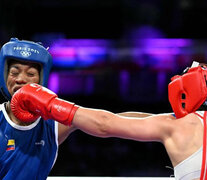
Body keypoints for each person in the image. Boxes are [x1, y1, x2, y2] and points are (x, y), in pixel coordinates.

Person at [0, 37, 204, 180]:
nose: (21, 79)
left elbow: (113, 120)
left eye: (30, 74)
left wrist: (170, 120)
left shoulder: (53, 124)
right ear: (4, 75)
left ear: (41, 80)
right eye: (15, 72)